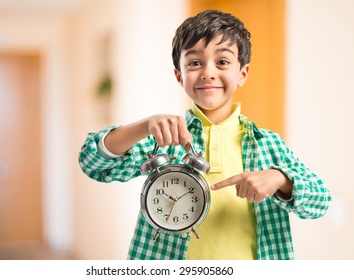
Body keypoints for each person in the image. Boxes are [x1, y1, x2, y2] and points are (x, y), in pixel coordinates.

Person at [78, 9, 331, 260]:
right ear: (180, 76)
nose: (208, 72)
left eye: (222, 62)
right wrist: (145, 125)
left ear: (242, 73)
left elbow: (320, 202)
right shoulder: (165, 139)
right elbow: (93, 164)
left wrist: (281, 180)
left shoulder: (268, 144)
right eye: (194, 62)